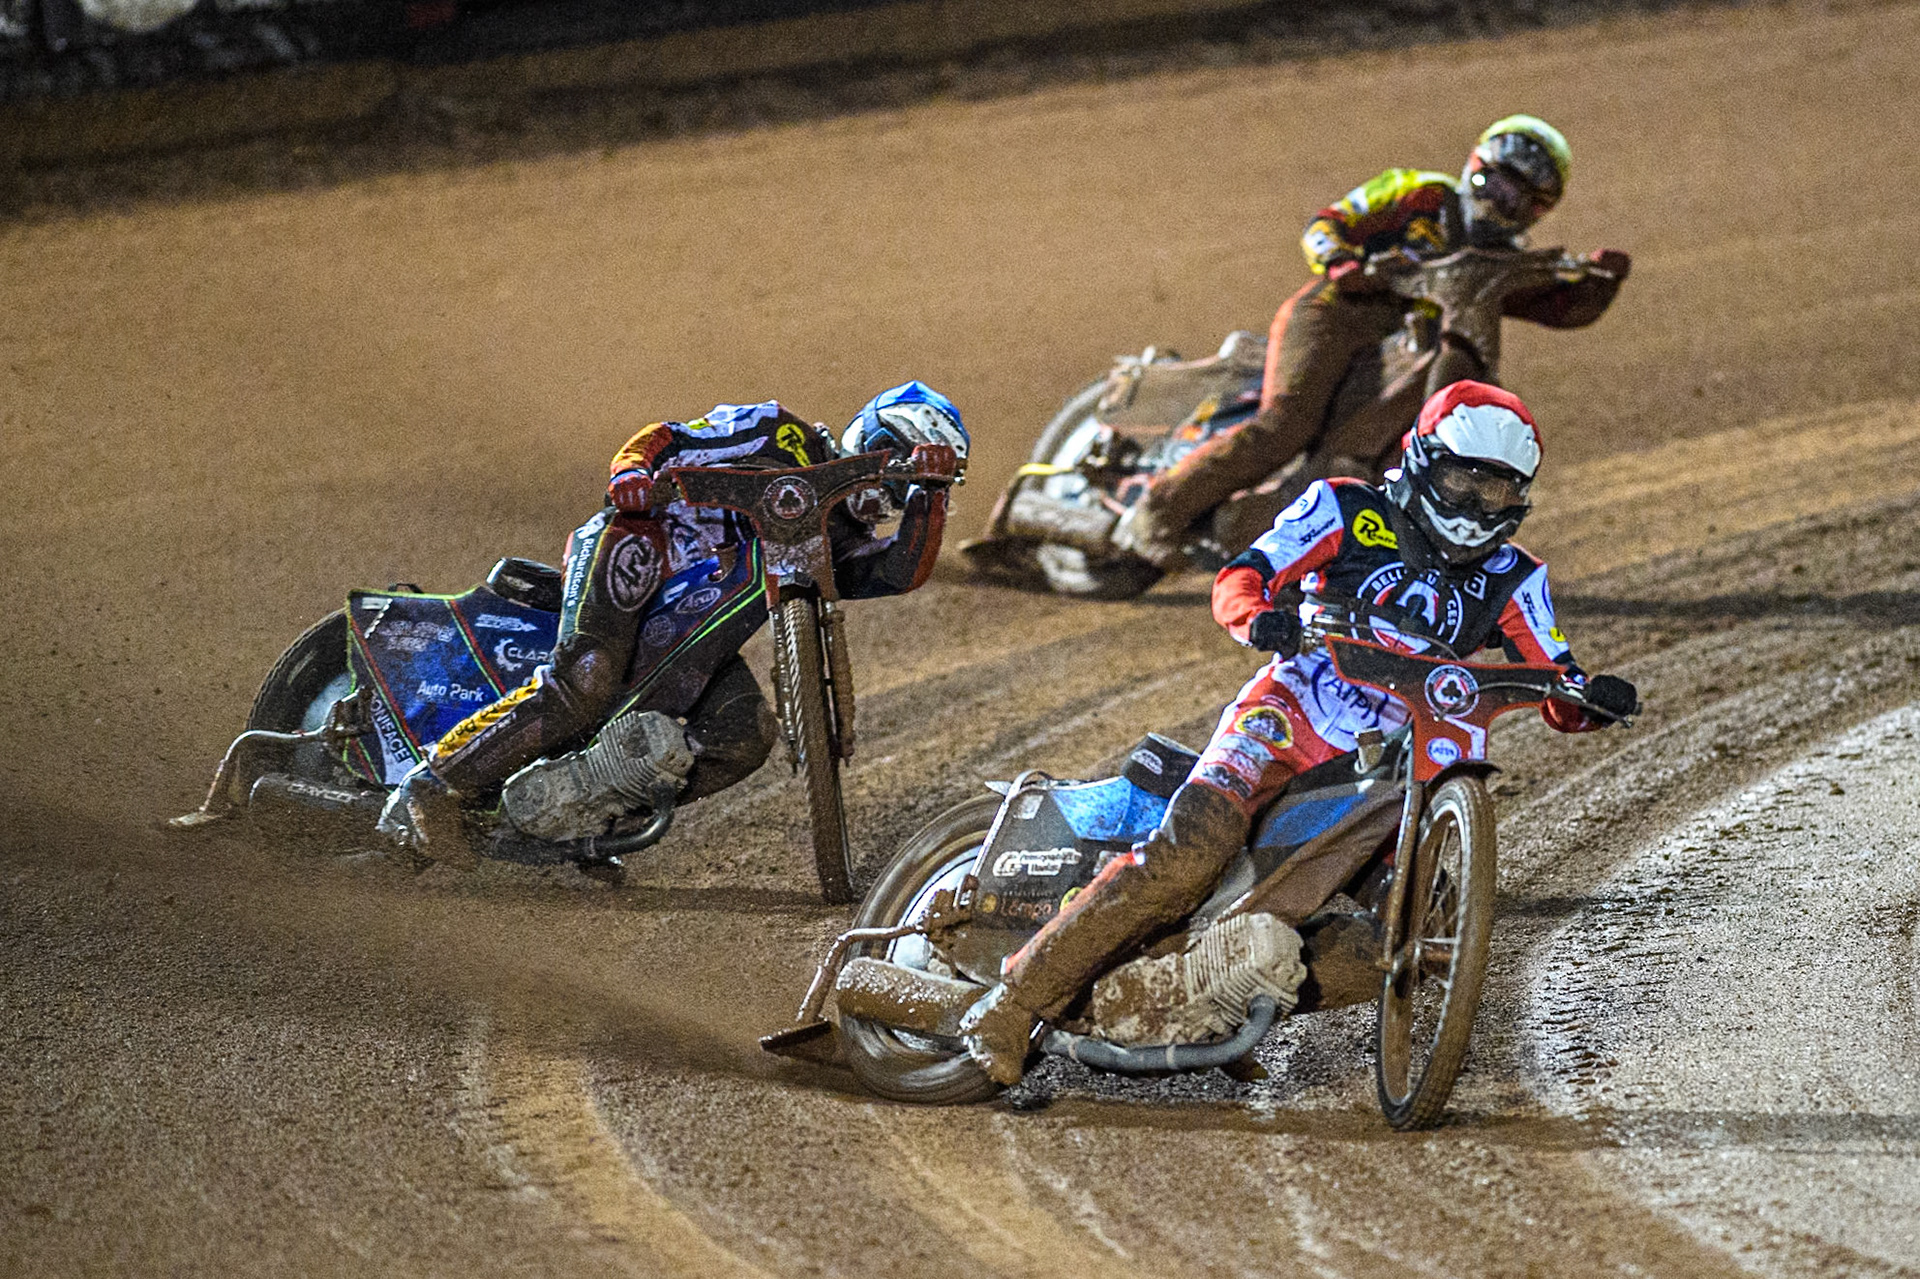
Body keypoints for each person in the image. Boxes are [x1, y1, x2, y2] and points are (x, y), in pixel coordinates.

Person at [962, 379, 1638, 1084]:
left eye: (1495, 492)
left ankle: (1212, 997)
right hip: (1288, 717)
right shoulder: (1345, 507)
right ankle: (1011, 1002)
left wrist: (1590, 697)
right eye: (1464, 482)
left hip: (1389, 770)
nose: (1474, 506)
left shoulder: (1516, 577)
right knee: (1191, 850)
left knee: (1413, 938)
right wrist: (1258, 617)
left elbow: (1557, 680)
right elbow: (1242, 575)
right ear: (1422, 460)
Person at [377, 384, 968, 867]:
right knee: (588, 675)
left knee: (744, 735)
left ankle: (580, 819)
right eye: (893, 459)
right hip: (641, 542)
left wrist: (931, 497)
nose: (890, 487)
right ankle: (430, 788)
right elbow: (671, 437)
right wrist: (632, 471)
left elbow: (899, 572)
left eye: (907, 481)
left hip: (698, 633)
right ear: (866, 433)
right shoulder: (780, 433)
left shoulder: (838, 541)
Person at [1114, 115, 1629, 565]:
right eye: (1496, 183)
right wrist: (1342, 262)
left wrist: (1601, 284)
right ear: (1476, 165)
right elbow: (1328, 223)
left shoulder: (1503, 263)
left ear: (1537, 211)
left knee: (1376, 463)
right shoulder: (1423, 193)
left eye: (1519, 199)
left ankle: (1275, 544)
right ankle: (1156, 515)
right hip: (1337, 312)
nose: (1500, 202)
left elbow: (1561, 310)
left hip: (1405, 351)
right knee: (1287, 424)